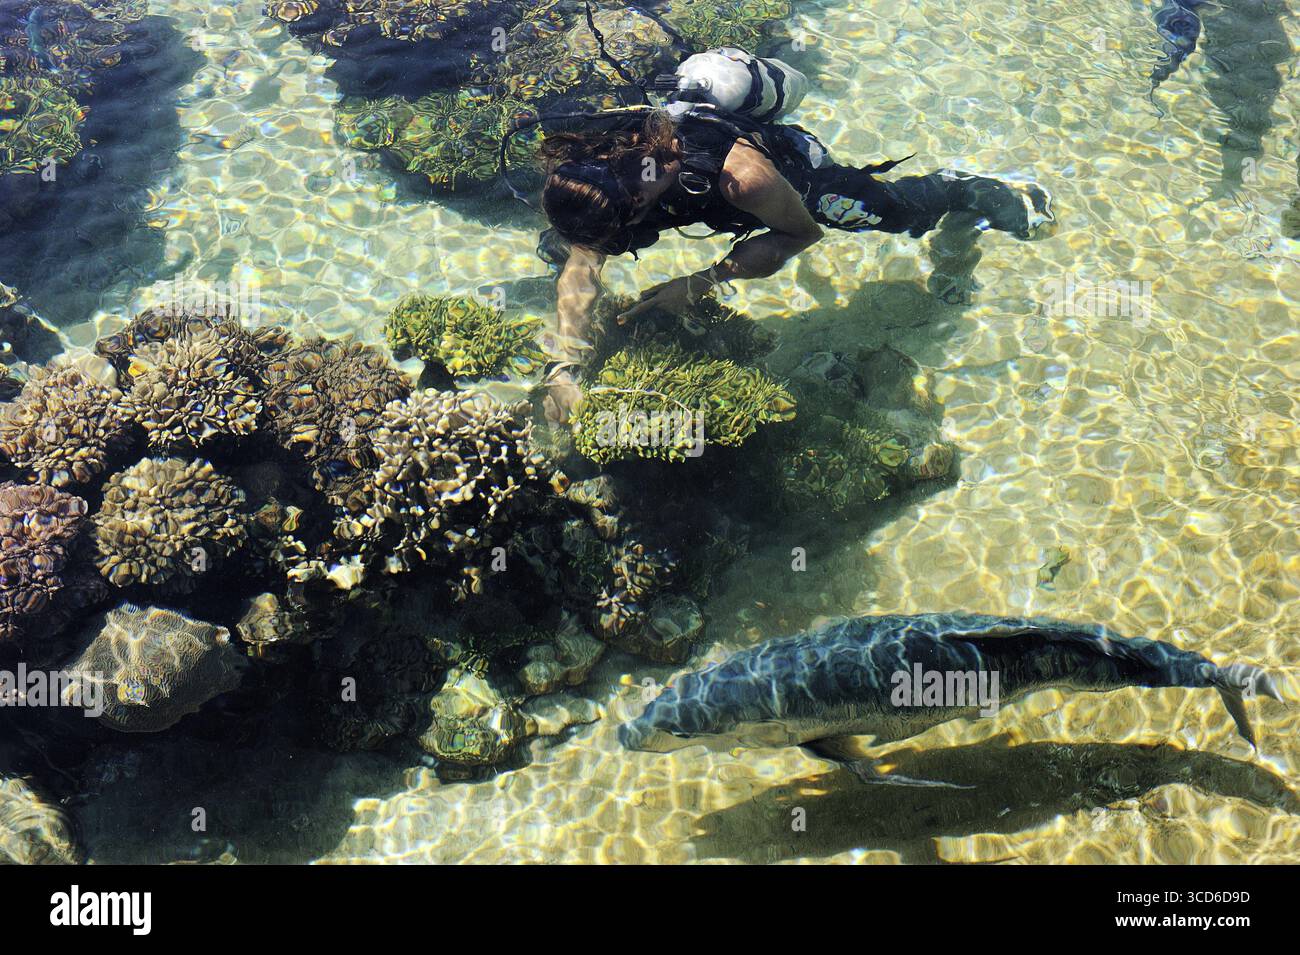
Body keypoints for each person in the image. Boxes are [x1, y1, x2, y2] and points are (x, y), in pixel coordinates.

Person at [536, 104, 1053, 423]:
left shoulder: (743, 181)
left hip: (792, 174)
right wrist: (565, 368)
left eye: (634, 174)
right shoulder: (607, 173)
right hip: (693, 186)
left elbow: (802, 235)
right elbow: (581, 269)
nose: (642, 171)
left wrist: (703, 281)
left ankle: (953, 187)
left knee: (893, 215)